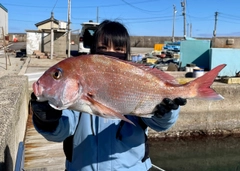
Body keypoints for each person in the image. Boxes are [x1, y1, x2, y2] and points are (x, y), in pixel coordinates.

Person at [30, 20, 187, 171]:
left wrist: (165, 112)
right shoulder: (74, 96)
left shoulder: (136, 78)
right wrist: (46, 119)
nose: (111, 55)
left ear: (126, 53)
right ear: (92, 52)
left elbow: (160, 125)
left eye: (118, 50)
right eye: (103, 47)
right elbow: (59, 133)